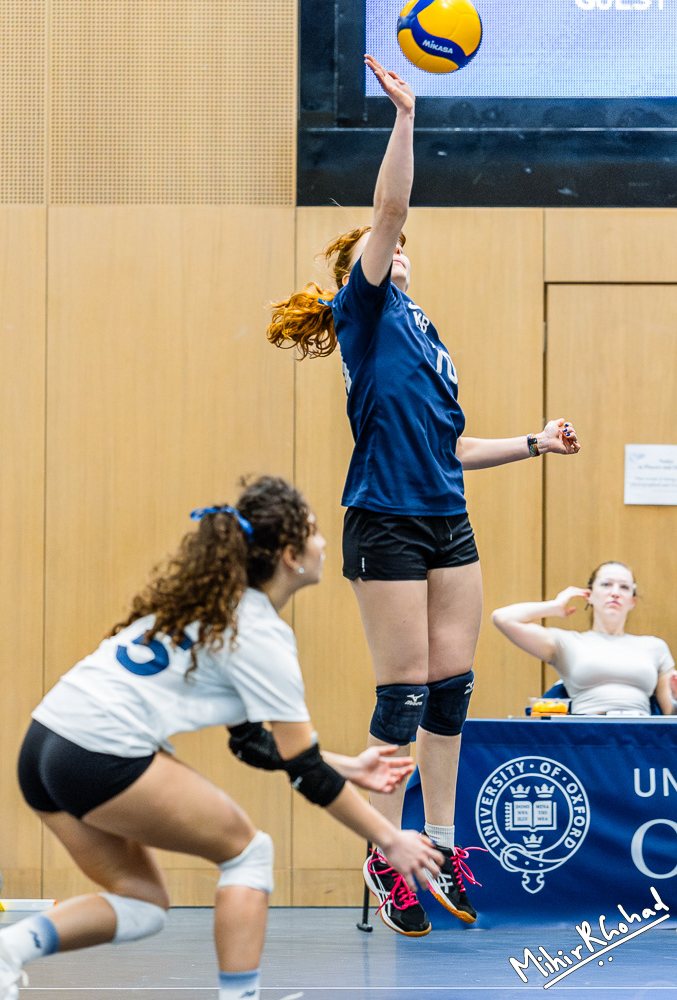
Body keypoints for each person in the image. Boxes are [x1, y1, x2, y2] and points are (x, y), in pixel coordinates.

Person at [266, 55, 581, 936]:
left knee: (453, 691)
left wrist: (533, 444)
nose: (400, 249)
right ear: (366, 263)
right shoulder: (362, 311)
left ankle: (440, 848)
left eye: (400, 248)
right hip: (385, 520)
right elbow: (391, 206)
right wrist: (405, 119)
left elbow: (450, 447)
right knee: (402, 694)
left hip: (446, 516)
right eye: (387, 245)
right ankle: (383, 847)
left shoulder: (427, 332)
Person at [0, 475, 443, 1000]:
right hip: (98, 751)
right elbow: (305, 773)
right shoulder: (260, 632)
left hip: (45, 744)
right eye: (316, 533)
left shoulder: (212, 608)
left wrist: (345, 766)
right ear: (292, 555)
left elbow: (251, 744)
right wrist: (391, 840)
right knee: (249, 854)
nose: (325, 544)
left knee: (141, 903)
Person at [491, 561, 677, 716]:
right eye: (606, 584)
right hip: (584, 740)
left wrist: (675, 699)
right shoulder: (566, 643)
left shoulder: (655, 647)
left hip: (640, 741)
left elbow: (671, 716)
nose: (615, 592)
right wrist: (553, 606)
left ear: (632, 601)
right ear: (589, 595)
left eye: (624, 587)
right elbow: (502, 618)